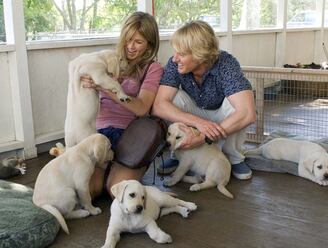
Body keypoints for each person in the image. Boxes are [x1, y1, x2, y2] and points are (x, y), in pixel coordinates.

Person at [151, 20, 256, 180]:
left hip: (221, 114)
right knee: (172, 100)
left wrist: (203, 137)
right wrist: (198, 123)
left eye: (182, 54)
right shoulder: (175, 64)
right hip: (196, 112)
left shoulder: (226, 63)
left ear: (200, 54)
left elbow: (248, 114)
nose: (174, 59)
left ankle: (234, 157)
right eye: (175, 52)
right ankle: (178, 152)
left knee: (237, 106)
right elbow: (159, 106)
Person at [80, 12, 163, 197]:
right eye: (127, 40)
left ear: (150, 44)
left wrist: (106, 87)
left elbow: (142, 108)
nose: (130, 47)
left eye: (138, 42)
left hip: (128, 137)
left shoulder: (152, 68)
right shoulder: (109, 60)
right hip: (99, 133)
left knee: (116, 192)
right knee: (87, 191)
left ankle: (123, 171)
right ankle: (107, 171)